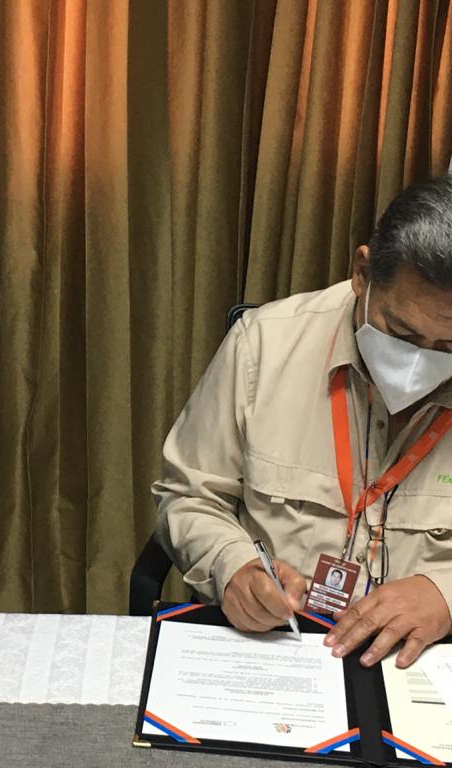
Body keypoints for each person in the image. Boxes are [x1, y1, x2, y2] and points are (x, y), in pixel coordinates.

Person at [154, 174, 452, 670]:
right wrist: (232, 565)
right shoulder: (264, 345)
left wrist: (445, 594)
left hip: (426, 660)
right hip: (279, 646)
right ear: (362, 274)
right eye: (401, 333)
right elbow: (188, 494)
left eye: (448, 346)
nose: (421, 362)